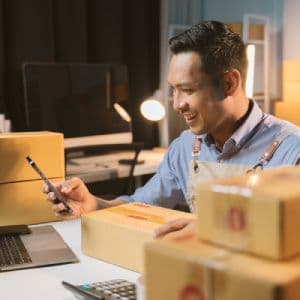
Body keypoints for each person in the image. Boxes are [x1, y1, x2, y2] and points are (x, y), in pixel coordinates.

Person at [44, 21, 300, 238]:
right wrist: (93, 204)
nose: (177, 104)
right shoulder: (185, 147)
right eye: (173, 90)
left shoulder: (292, 150)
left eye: (188, 90)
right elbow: (139, 205)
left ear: (229, 83)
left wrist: (216, 228)